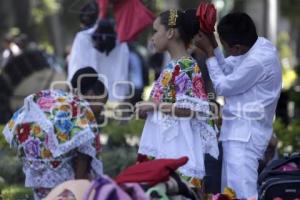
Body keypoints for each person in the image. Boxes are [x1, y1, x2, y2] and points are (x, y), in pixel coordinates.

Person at [195, 12, 282, 198]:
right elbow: (228, 69)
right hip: (238, 132)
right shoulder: (258, 46)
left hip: (245, 137)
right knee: (230, 193)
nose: (226, 51)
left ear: (237, 47)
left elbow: (223, 86)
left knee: (242, 194)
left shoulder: (258, 60)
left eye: (226, 48)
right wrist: (214, 42)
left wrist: (210, 53)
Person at [135, 9, 219, 189]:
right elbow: (161, 105)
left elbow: (195, 109)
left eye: (156, 31)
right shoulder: (174, 66)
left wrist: (154, 106)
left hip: (179, 149)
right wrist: (147, 109)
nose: (152, 37)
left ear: (170, 32)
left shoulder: (186, 66)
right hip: (167, 146)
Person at [2, 68, 107, 199]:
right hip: (61, 177)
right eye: (102, 105)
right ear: (91, 94)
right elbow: (84, 155)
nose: (101, 111)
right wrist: (80, 189)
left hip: (36, 168)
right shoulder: (83, 110)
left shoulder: (56, 99)